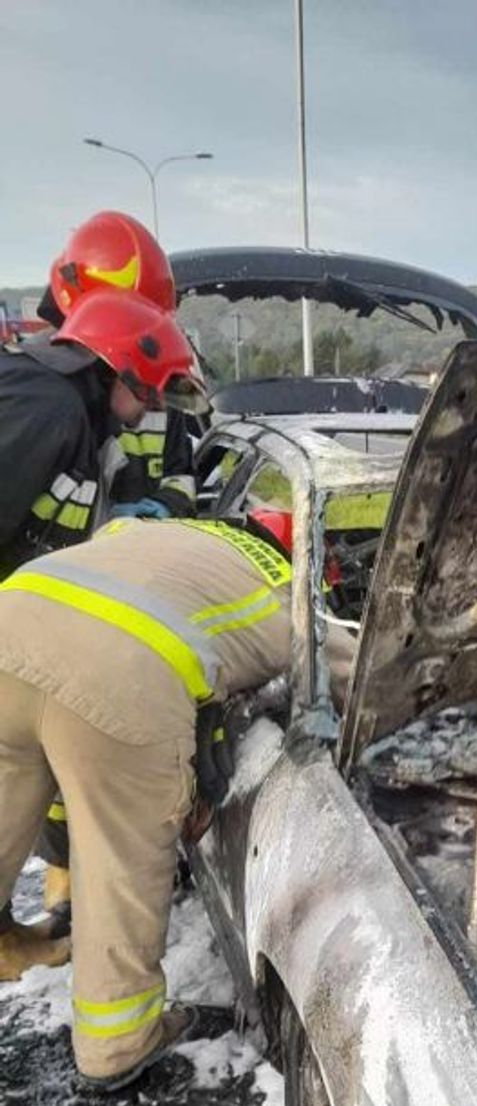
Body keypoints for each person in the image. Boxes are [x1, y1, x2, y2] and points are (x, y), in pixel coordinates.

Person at [0, 507, 354, 1090]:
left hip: (15, 614)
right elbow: (350, 673)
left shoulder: (162, 532)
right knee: (121, 859)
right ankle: (116, 1043)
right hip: (115, 683)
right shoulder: (284, 592)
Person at [0, 291, 208, 983]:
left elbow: (44, 511)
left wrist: (117, 515)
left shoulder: (76, 411)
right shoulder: (51, 407)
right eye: (146, 391)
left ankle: (11, 936)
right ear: (115, 368)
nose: (150, 408)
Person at [37, 209, 198, 519]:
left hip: (140, 549)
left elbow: (183, 475)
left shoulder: (159, 385)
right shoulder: (55, 392)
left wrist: (163, 507)